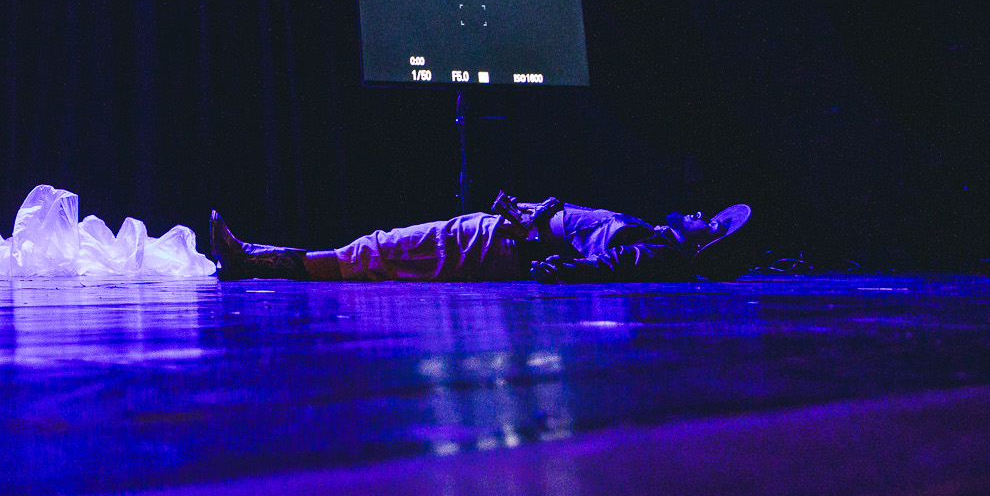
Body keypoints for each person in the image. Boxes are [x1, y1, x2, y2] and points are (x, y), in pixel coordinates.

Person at [209, 193, 751, 283]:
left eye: (712, 223)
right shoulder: (652, 234)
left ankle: (251, 259)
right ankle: (252, 257)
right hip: (502, 237)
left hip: (498, 246)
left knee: (376, 253)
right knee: (380, 251)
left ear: (704, 245)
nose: (703, 213)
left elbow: (600, 265)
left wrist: (533, 234)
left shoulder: (657, 249)